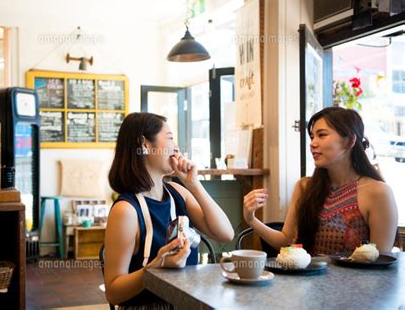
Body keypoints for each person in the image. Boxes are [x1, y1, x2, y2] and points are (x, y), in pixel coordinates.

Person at [104, 112, 234, 308]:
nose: (177, 148)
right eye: (170, 138)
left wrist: (194, 184)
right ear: (144, 145)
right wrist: (157, 266)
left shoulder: (177, 192)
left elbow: (225, 234)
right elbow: (113, 292)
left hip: (188, 301)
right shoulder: (126, 210)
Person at [243, 107, 398, 255]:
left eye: (322, 135)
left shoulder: (378, 192)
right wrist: (251, 219)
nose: (312, 143)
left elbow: (380, 260)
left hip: (355, 282)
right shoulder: (304, 186)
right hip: (306, 280)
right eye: (312, 137)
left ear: (349, 141)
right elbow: (286, 242)